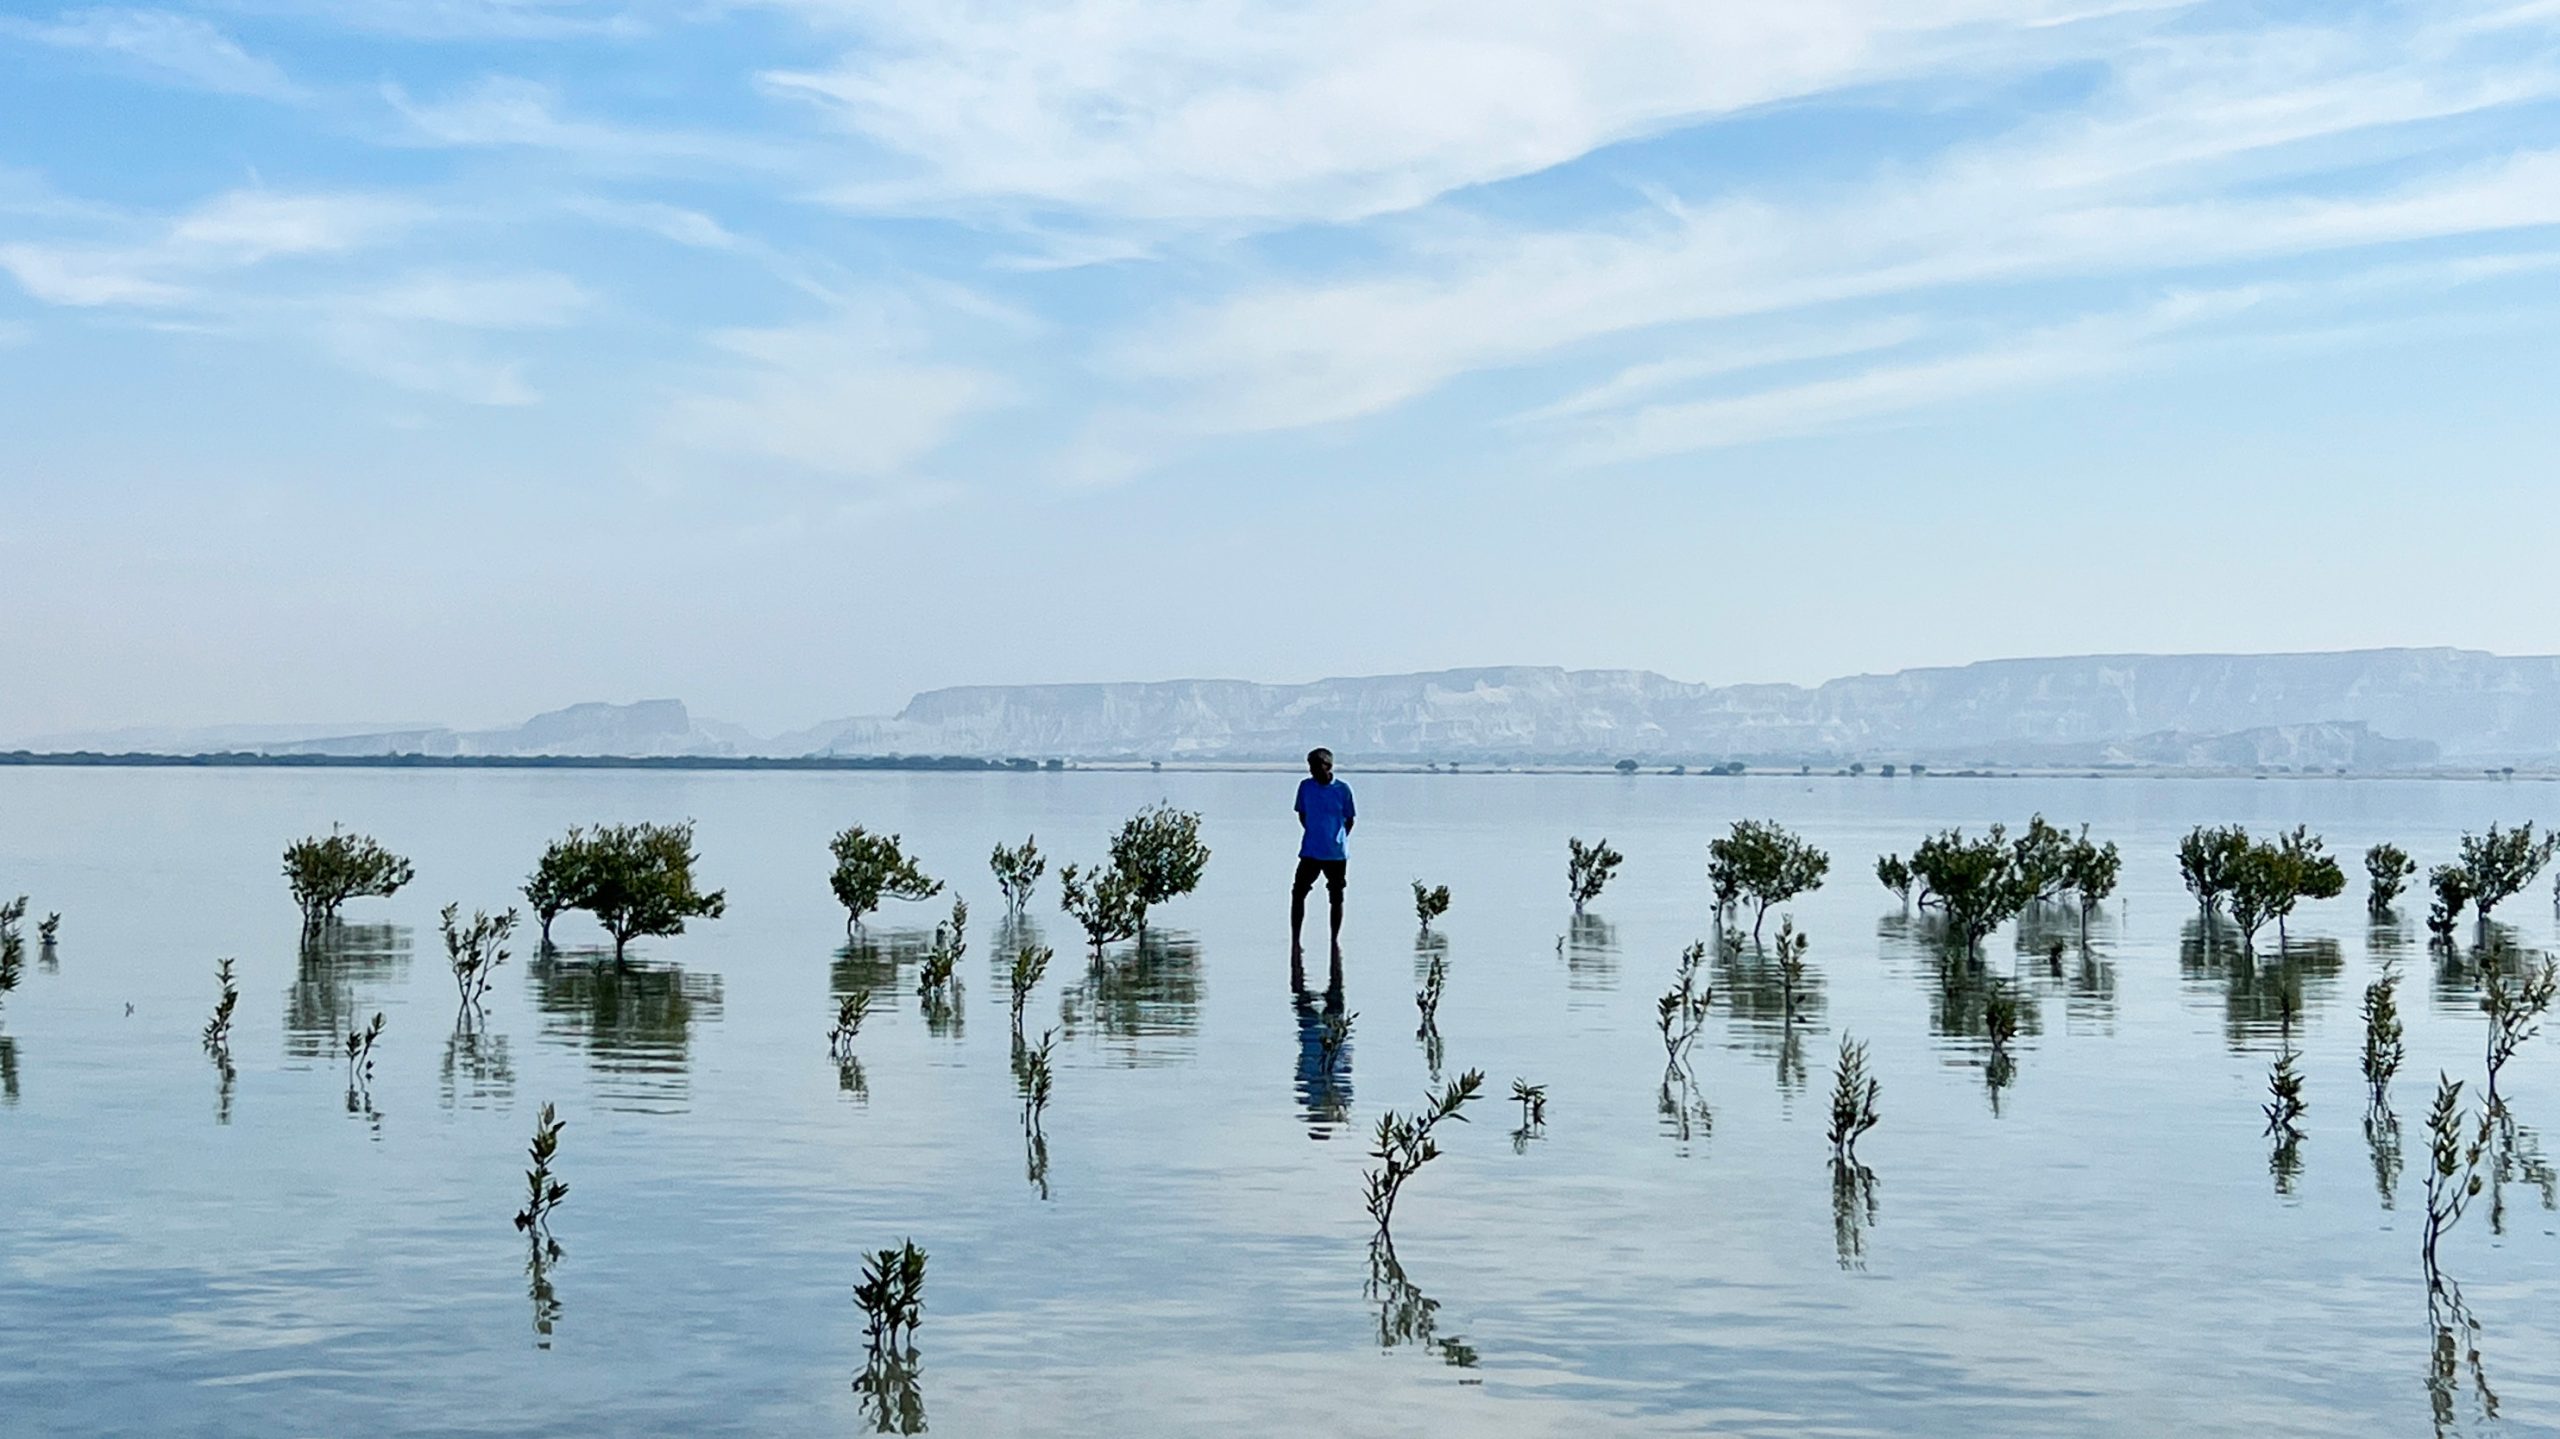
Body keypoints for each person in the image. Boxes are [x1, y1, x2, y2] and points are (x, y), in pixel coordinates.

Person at [1291, 746, 1355, 965]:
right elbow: (1302, 814)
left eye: (1316, 767)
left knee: (1336, 896)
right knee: (1298, 893)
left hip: (1335, 854)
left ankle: (1334, 940)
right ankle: (1295, 939)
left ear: (1328, 767)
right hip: (1310, 851)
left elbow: (1349, 819)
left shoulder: (1342, 790)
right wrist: (1314, 833)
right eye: (1310, 767)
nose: (1312, 772)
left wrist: (1336, 839)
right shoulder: (1305, 787)